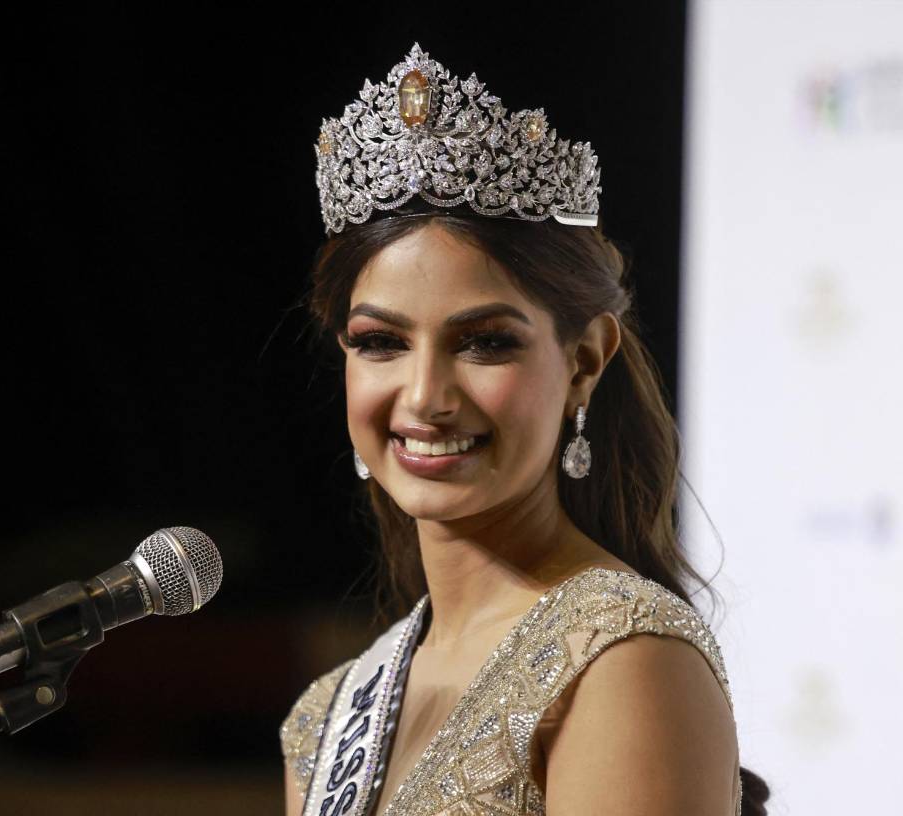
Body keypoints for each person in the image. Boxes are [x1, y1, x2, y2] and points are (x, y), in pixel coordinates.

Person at [279, 44, 770, 816]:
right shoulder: (327, 718)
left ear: (582, 362)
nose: (425, 396)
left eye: (485, 342)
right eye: (380, 343)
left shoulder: (622, 660)